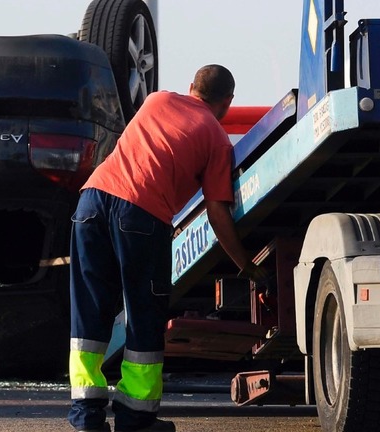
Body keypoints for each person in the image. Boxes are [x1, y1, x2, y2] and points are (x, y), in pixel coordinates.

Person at [67, 64, 268, 432]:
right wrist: (245, 262)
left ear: (191, 87)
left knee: (89, 315)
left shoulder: (156, 100)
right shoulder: (215, 137)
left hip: (90, 203)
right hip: (141, 216)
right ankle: (135, 419)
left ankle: (86, 418)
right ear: (228, 102)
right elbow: (217, 212)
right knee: (144, 316)